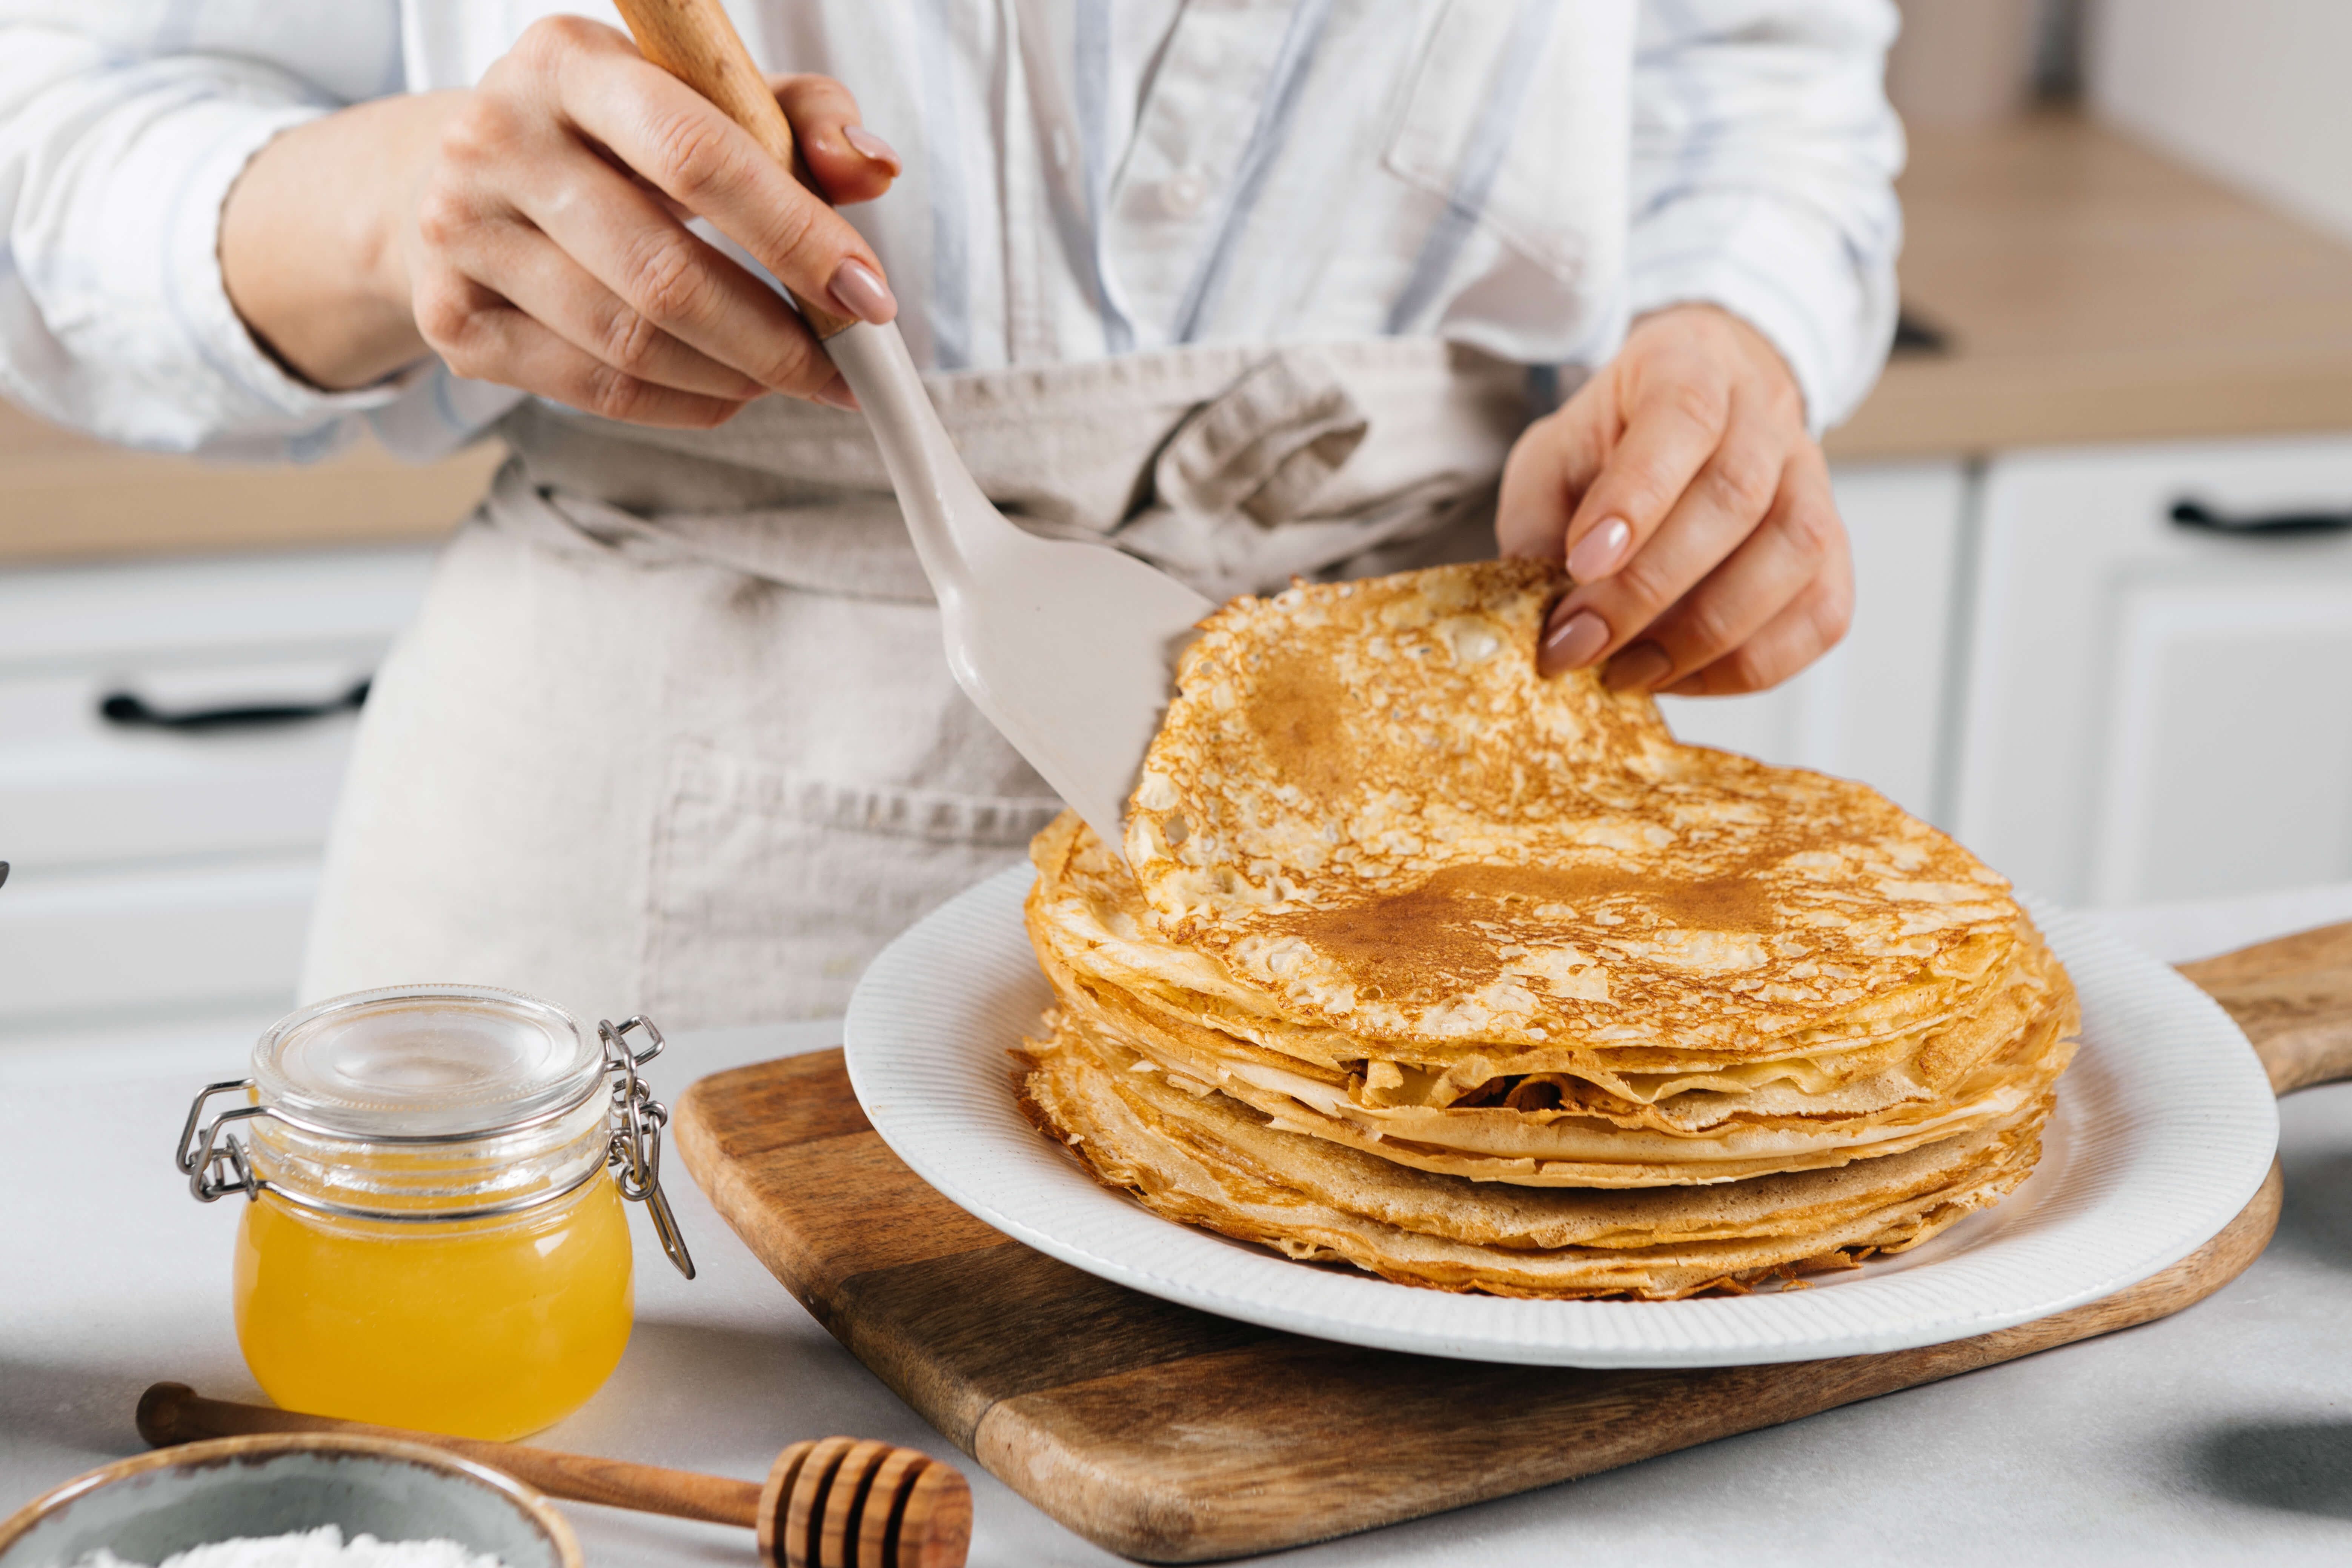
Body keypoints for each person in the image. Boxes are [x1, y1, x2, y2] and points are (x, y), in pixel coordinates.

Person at [0, 1, 1902, 1028]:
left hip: (1471, 766)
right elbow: (57, 148)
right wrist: (404, 202)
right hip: (656, 860)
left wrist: (1717, 333)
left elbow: (1757, 74)